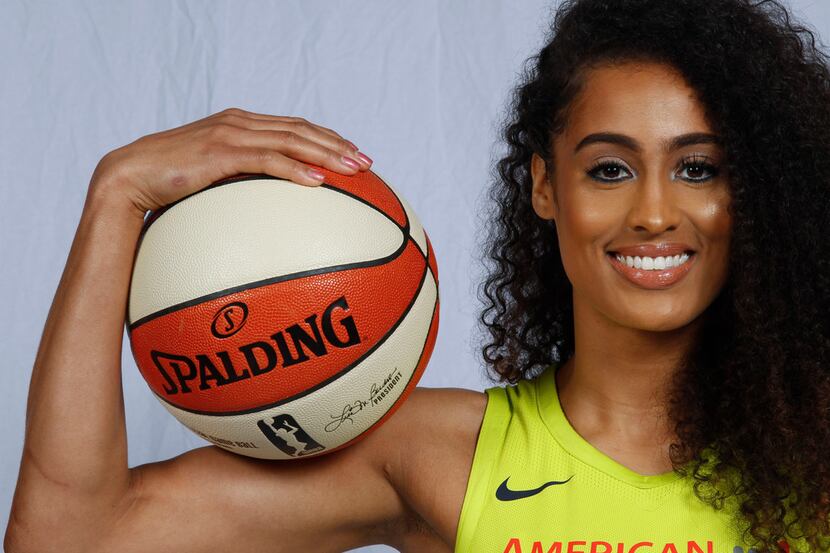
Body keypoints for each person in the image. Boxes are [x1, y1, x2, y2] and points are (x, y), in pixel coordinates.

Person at [5, 0, 830, 551]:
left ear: (757, 191)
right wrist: (115, 196)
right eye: (609, 170)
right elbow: (70, 534)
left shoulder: (813, 454)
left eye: (700, 170)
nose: (655, 213)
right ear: (546, 187)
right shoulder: (439, 454)